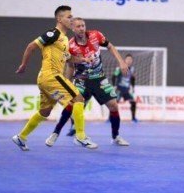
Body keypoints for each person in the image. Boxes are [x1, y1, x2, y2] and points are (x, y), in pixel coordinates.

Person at [12, 6, 97, 151]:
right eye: (69, 17)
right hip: (51, 75)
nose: (71, 20)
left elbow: (68, 58)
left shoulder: (63, 39)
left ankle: (21, 137)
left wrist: (84, 60)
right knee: (78, 98)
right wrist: (23, 65)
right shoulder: (53, 34)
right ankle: (81, 136)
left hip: (44, 78)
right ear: (59, 19)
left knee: (45, 111)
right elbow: (31, 46)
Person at [45, 17, 130, 147]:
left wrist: (121, 62)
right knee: (72, 104)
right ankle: (56, 132)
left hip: (99, 78)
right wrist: (67, 83)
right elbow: (70, 66)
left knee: (113, 105)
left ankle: (116, 136)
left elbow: (110, 46)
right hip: (82, 80)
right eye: (78, 26)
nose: (81, 28)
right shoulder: (70, 46)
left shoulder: (96, 35)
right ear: (72, 28)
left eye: (83, 25)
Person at [112, 54, 138, 122]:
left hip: (127, 90)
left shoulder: (132, 69)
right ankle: (110, 118)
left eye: (130, 60)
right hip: (119, 89)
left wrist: (133, 87)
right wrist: (114, 86)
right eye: (128, 59)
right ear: (125, 60)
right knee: (114, 104)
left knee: (133, 103)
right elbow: (114, 76)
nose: (129, 61)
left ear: (132, 61)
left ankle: (133, 118)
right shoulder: (120, 68)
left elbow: (132, 79)